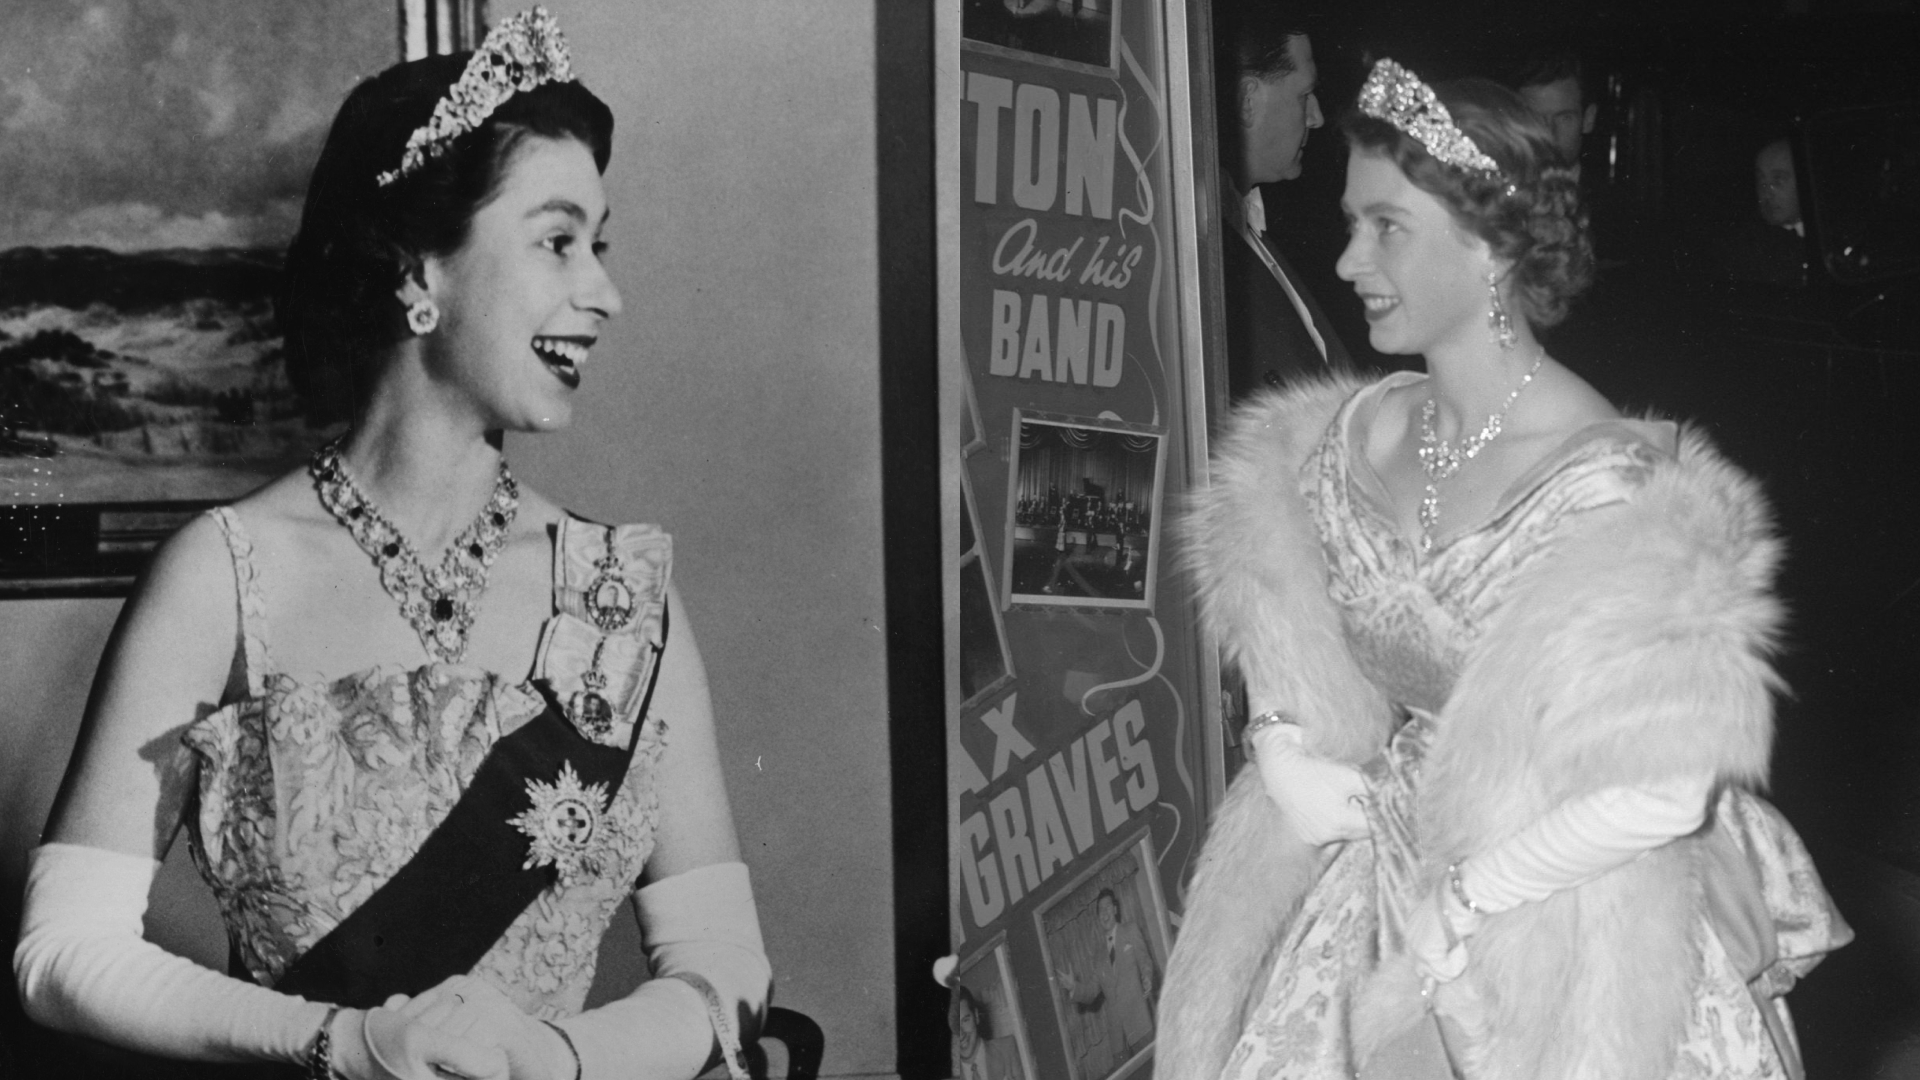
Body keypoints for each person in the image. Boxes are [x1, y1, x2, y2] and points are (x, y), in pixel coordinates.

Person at [13, 10, 770, 1080]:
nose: (604, 292)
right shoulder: (224, 573)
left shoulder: (620, 595)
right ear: (421, 270)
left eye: (599, 245)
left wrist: (556, 1057)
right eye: (558, 241)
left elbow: (728, 971)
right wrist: (344, 1042)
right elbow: (62, 952)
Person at [1159, 59, 1849, 1080]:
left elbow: (1660, 792)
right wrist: (1279, 746)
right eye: (1352, 222)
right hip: (1371, 876)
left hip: (1557, 902)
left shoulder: (1612, 488)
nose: (1348, 260)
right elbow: (1283, 612)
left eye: (1385, 227)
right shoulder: (1353, 435)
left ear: (1485, 248)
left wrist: (1473, 894)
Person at [1212, 6, 1352, 403]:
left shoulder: (1249, 229)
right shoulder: (1207, 242)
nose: (1317, 117)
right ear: (1247, 100)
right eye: (1304, 95)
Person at [1056, 889, 1155, 1058]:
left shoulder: (1130, 930)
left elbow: (1145, 961)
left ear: (1115, 910)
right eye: (1101, 910)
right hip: (1118, 1037)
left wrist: (1147, 977)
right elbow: (1091, 991)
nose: (1105, 912)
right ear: (1098, 917)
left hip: (1140, 1023)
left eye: (1108, 907)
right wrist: (1074, 987)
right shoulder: (1098, 955)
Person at [1721, 137, 1810, 286]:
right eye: (1761, 180)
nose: (1766, 192)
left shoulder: (1834, 231)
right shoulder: (1743, 246)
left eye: (1778, 180)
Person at [1507, 50, 1595, 174]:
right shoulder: (1489, 191)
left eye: (1564, 118)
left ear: (1588, 119)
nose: (1549, 134)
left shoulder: (1619, 194)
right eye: (1535, 118)